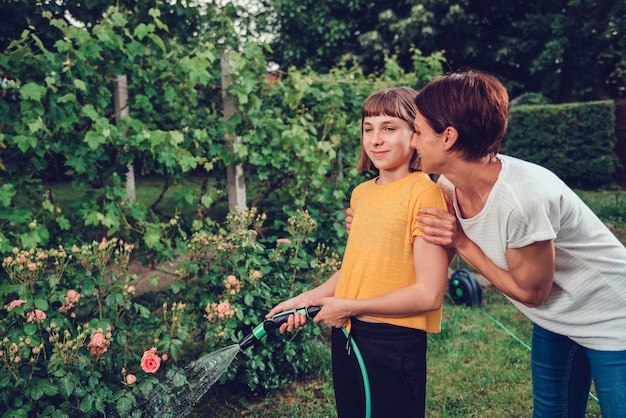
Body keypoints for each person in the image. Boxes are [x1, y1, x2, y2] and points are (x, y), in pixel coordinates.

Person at [347, 69, 626, 417]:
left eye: (417, 130)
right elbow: (423, 260)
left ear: (448, 137)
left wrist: (462, 242)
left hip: (614, 320)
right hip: (556, 321)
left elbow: (531, 293)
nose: (413, 141)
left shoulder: (522, 200)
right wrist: (376, 223)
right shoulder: (449, 187)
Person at [266, 87, 450, 418]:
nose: (375, 139)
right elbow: (357, 269)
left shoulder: (424, 194)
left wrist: (351, 306)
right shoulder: (361, 194)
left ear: (415, 135)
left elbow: (429, 294)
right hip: (348, 334)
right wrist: (307, 298)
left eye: (389, 128)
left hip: (392, 341)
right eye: (369, 128)